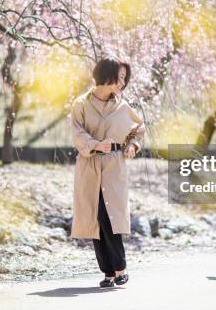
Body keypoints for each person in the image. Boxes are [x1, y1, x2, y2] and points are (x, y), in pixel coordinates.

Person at [69, 56, 145, 288]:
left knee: (109, 217)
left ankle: (120, 268)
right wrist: (94, 144)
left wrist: (132, 146)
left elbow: (139, 129)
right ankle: (108, 273)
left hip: (114, 166)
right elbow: (76, 133)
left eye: (124, 79)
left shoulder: (123, 106)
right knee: (96, 219)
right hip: (89, 165)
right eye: (119, 78)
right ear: (106, 76)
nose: (122, 83)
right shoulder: (80, 104)